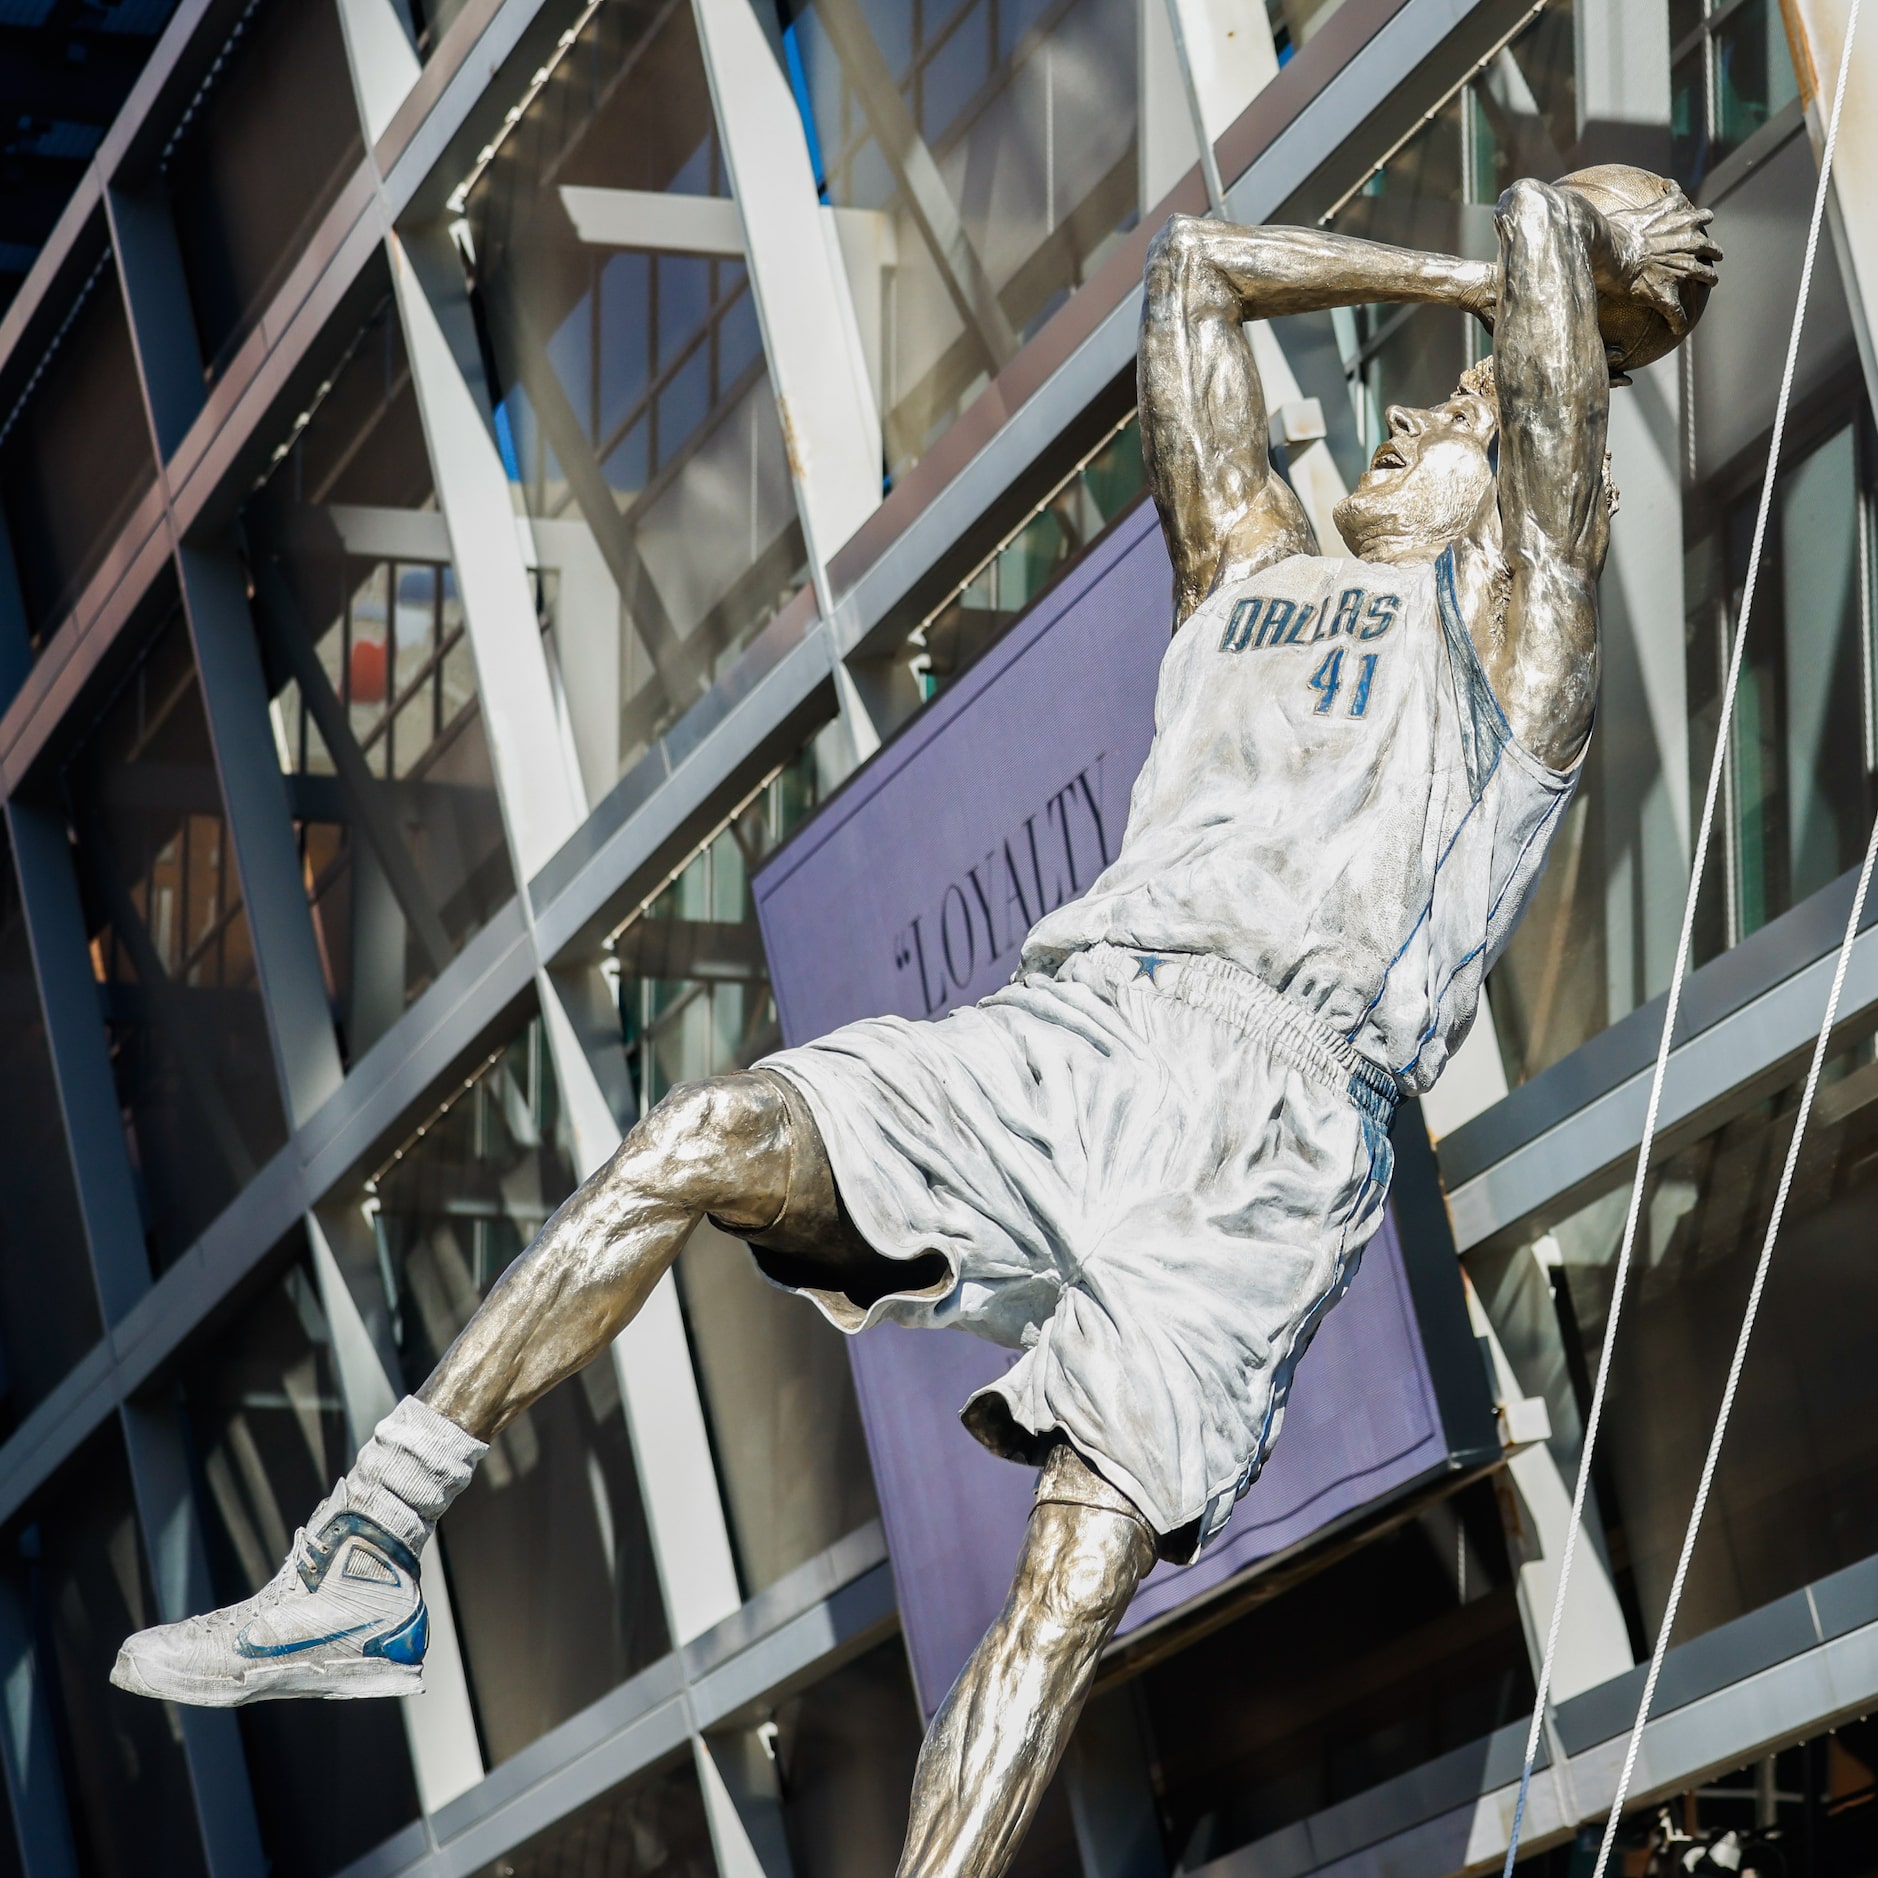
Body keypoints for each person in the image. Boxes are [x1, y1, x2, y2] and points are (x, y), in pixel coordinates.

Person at [115, 173, 1718, 1878]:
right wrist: (1466, 275)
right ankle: (368, 1546)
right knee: (700, 1138)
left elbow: (1552, 251)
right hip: (1081, 1023)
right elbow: (1192, 268)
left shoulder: (1514, 643)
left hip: (1269, 1130)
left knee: (1053, 1598)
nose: (1420, 409)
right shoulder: (1247, 565)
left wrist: (1549, 291)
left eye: (1468, 414)